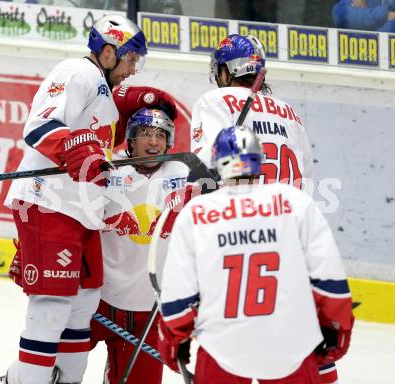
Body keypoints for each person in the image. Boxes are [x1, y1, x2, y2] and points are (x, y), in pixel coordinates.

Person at [0, 14, 176, 384]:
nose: (133, 69)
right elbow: (41, 125)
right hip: (50, 203)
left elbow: (91, 153)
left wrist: (94, 160)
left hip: (81, 213)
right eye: (130, 60)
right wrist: (73, 150)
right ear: (108, 52)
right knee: (52, 305)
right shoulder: (76, 72)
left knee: (83, 306)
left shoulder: (103, 95)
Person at [158, 126, 354, 384]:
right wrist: (336, 329)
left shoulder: (196, 212)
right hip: (290, 346)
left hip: (221, 348)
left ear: (217, 162)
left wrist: (175, 339)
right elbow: (329, 282)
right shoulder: (295, 202)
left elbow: (178, 296)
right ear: (259, 159)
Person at [89, 107, 189, 384]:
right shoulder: (106, 170)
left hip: (149, 310)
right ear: (130, 140)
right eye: (145, 134)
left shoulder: (185, 173)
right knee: (56, 367)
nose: (153, 142)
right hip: (94, 300)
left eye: (160, 135)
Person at [190, 34, 313, 194]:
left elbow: (205, 166)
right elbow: (307, 175)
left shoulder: (214, 101)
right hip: (287, 212)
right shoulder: (289, 112)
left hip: (240, 210)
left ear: (226, 73)